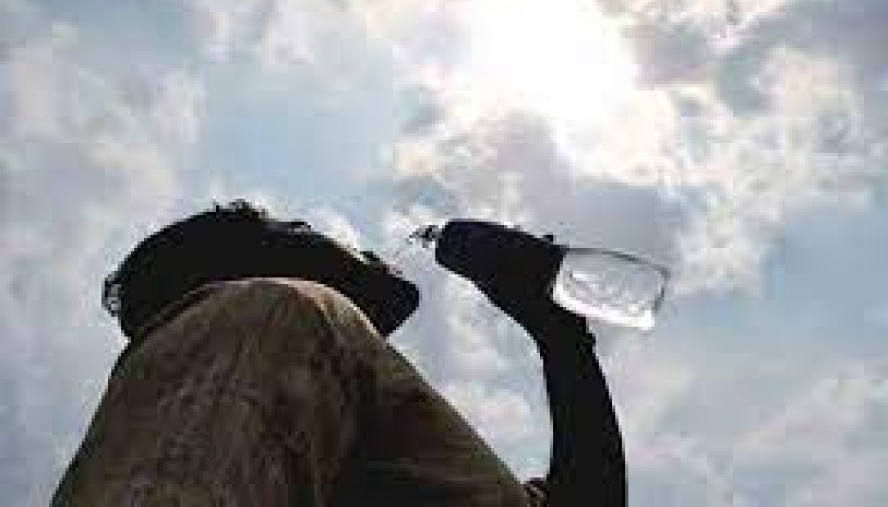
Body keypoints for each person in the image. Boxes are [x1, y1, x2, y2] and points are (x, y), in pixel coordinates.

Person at [52, 200, 627, 506]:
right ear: (271, 255)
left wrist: (560, 337)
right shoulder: (267, 308)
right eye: (297, 225)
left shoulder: (369, 415)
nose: (361, 249)